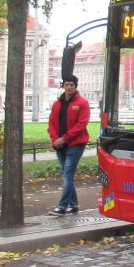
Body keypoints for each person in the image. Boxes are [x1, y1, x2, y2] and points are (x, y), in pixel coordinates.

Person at [47, 75, 90, 216]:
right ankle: (74, 204)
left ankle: (62, 207)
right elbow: (52, 123)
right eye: (67, 84)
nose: (69, 87)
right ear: (63, 86)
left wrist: (64, 139)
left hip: (75, 144)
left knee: (67, 176)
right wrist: (55, 139)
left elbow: (81, 125)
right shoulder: (57, 104)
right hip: (60, 144)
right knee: (67, 176)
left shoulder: (82, 103)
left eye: (72, 84)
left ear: (76, 86)